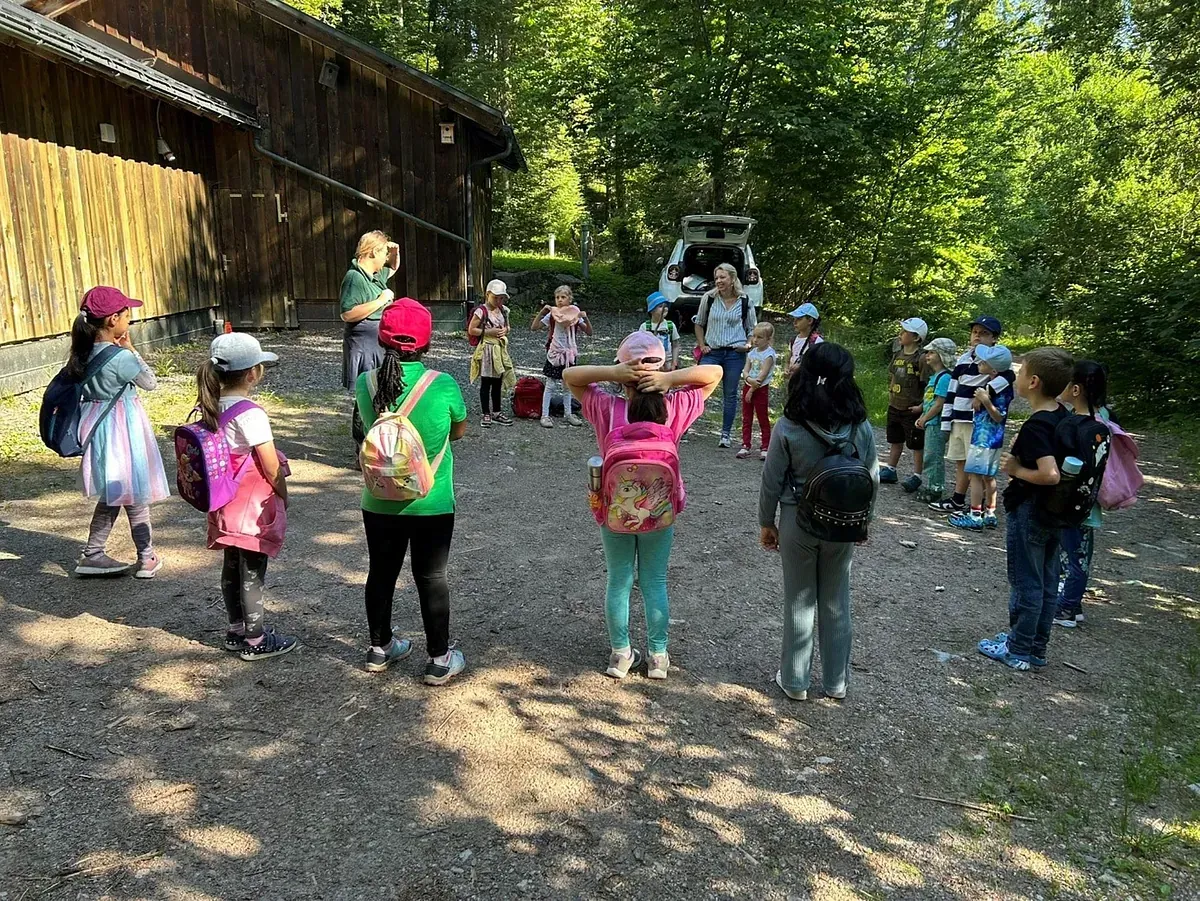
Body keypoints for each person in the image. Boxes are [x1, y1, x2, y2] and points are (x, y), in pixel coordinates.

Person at [564, 333, 722, 681]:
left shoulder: (607, 407)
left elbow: (569, 376)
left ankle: (620, 655)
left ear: (624, 368)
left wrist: (612, 373)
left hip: (614, 512)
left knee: (619, 580)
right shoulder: (676, 408)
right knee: (655, 581)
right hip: (660, 512)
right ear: (662, 365)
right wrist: (670, 378)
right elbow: (715, 373)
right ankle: (658, 656)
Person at [357, 299, 469, 683]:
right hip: (431, 500)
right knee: (431, 576)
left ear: (382, 339)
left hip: (378, 498)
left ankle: (379, 647)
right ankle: (439, 657)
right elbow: (458, 431)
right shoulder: (443, 385)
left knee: (381, 571)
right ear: (427, 343)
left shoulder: (365, 383)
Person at [760, 342, 879, 701]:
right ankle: (836, 682)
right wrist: (864, 523)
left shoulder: (790, 424)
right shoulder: (860, 426)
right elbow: (870, 478)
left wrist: (767, 521)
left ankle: (795, 682)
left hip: (798, 520)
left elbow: (772, 479)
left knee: (799, 599)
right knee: (836, 600)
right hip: (843, 523)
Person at [198, 333, 297, 660]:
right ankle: (255, 641)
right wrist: (282, 492)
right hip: (250, 506)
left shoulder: (210, 406)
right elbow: (270, 465)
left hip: (223, 503)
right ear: (253, 373)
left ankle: (236, 629)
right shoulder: (250, 413)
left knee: (231, 566)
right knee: (253, 571)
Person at [978, 347, 1074, 670]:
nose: (1016, 377)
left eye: (1020, 373)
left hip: (1031, 509)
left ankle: (1017, 648)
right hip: (1055, 512)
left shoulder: (1037, 426)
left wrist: (1016, 470)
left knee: (1026, 580)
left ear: (1033, 382)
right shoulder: (1063, 415)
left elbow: (1049, 474)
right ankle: (1037, 647)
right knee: (1047, 580)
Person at [70, 287, 170, 579]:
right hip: (124, 431)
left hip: (99, 430)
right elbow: (150, 382)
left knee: (115, 492)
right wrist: (131, 349)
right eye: (127, 316)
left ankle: (94, 553)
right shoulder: (119, 358)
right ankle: (146, 556)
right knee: (133, 491)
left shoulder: (83, 353)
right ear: (113, 319)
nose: (130, 322)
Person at [1053, 360, 1111, 628]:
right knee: (1081, 554)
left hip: (1067, 505)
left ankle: (1065, 608)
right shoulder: (1103, 423)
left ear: (1076, 389)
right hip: (1088, 503)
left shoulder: (1069, 425)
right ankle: (1073, 605)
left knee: (1069, 557)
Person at [930, 315, 1002, 514]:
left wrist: (986, 393)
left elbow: (1006, 380)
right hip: (958, 418)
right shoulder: (963, 359)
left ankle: (986, 507)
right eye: (975, 332)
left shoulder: (994, 359)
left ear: (994, 338)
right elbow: (952, 389)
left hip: (977, 420)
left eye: (984, 333)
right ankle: (958, 499)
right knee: (961, 461)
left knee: (978, 465)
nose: (977, 336)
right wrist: (947, 419)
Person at [340, 231, 399, 444]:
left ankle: (378, 440)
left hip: (377, 342)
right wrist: (381, 301)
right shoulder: (355, 277)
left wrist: (394, 250)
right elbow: (347, 313)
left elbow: (393, 267)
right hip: (363, 344)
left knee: (381, 390)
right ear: (374, 252)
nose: (385, 257)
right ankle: (362, 446)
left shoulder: (374, 275)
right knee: (366, 394)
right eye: (383, 252)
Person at [948, 344, 1015, 532]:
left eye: (983, 362)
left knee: (976, 476)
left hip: (984, 438)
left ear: (993, 370)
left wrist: (985, 400)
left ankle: (975, 515)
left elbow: (999, 416)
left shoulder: (999, 391)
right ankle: (990, 513)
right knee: (988, 476)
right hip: (993, 439)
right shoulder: (998, 384)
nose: (979, 363)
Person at [694, 262, 757, 447]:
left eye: (722, 277)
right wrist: (702, 344)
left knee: (730, 395)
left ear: (732, 279)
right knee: (697, 390)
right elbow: (699, 323)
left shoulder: (745, 300)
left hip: (734, 354)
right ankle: (683, 427)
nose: (719, 281)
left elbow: (752, 329)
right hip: (712, 352)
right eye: (716, 278)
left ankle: (725, 435)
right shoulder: (709, 298)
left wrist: (747, 345)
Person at [532, 284, 592, 428]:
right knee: (551, 384)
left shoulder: (575, 313)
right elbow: (535, 327)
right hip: (555, 352)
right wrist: (542, 312)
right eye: (557, 297)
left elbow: (589, 332)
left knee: (568, 385)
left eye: (563, 297)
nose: (559, 300)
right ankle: (545, 415)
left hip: (569, 353)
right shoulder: (553, 314)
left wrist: (585, 318)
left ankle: (568, 413)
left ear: (569, 299)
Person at [881, 317, 928, 489]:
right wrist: (891, 391)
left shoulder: (921, 358)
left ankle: (917, 475)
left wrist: (922, 407)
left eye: (905, 332)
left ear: (916, 337)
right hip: (895, 405)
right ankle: (891, 469)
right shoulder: (897, 355)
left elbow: (927, 384)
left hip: (912, 408)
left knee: (915, 443)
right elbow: (893, 375)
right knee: (895, 439)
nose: (900, 334)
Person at [914, 338, 957, 504]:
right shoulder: (936, 377)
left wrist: (925, 418)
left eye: (932, 352)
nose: (927, 355)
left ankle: (935, 488)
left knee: (933, 456)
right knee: (930, 455)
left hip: (936, 423)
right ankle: (932, 484)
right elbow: (931, 400)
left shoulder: (945, 378)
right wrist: (920, 409)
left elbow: (939, 404)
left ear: (942, 355)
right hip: (930, 421)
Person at [468, 278, 516, 428]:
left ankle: (496, 411)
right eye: (495, 297)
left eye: (501, 298)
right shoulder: (481, 311)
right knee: (486, 382)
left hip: (499, 349)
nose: (498, 300)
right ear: (487, 294)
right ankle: (485, 413)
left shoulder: (503, 310)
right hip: (487, 349)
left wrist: (505, 330)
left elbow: (507, 326)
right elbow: (471, 330)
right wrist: (490, 332)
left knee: (497, 382)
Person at [738, 323, 777, 460]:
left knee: (762, 418)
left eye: (760, 337)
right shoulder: (752, 353)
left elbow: (763, 374)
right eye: (754, 336)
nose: (755, 340)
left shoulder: (769, 355)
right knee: (746, 417)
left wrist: (752, 388)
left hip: (760, 389)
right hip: (748, 385)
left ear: (768, 339)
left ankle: (765, 446)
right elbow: (745, 369)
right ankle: (745, 444)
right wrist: (748, 378)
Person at [640, 292, 681, 371]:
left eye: (665, 306)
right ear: (651, 311)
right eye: (660, 306)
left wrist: (674, 362)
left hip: (668, 362)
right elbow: (640, 348)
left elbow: (675, 345)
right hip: (651, 364)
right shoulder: (645, 327)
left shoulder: (670, 325)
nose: (664, 308)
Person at [784, 303, 823, 378]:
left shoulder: (817, 342)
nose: (794, 322)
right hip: (794, 382)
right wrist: (786, 368)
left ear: (810, 321)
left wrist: (801, 367)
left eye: (799, 319)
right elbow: (789, 358)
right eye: (794, 319)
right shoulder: (793, 340)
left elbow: (818, 365)